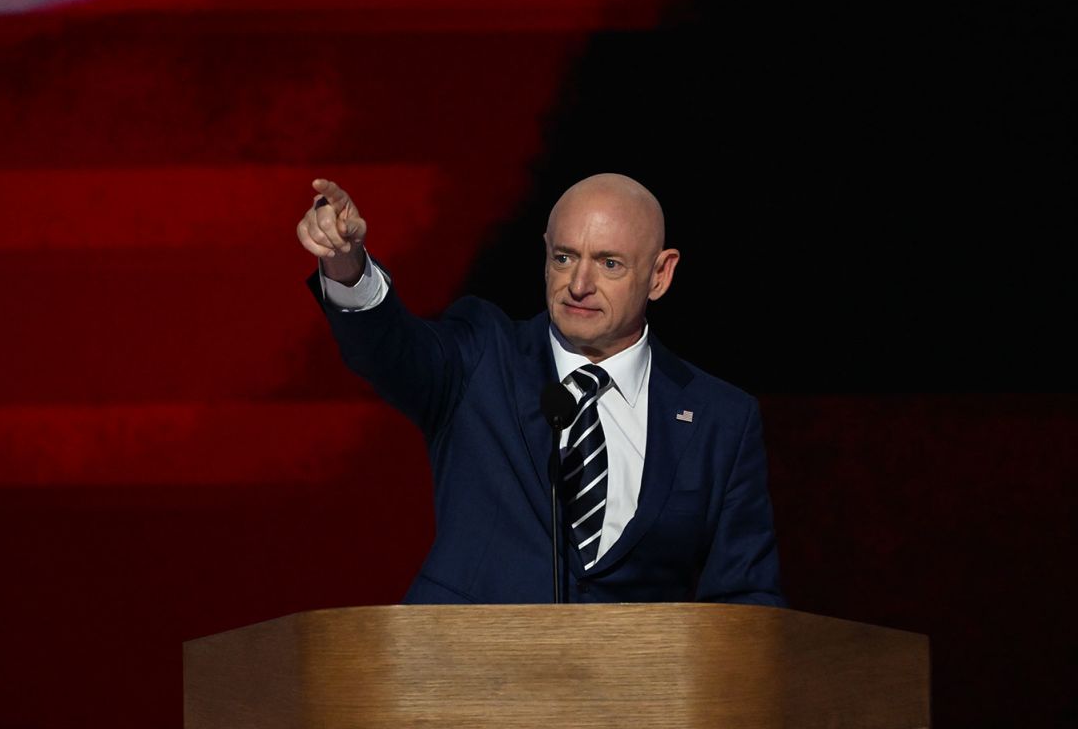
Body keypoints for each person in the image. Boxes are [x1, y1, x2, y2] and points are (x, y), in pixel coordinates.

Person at [299, 173, 784, 605]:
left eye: (610, 263)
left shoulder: (720, 417)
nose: (579, 283)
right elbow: (390, 349)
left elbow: (744, 603)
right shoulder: (483, 355)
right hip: (464, 685)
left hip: (628, 699)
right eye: (565, 257)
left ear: (660, 274)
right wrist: (348, 267)